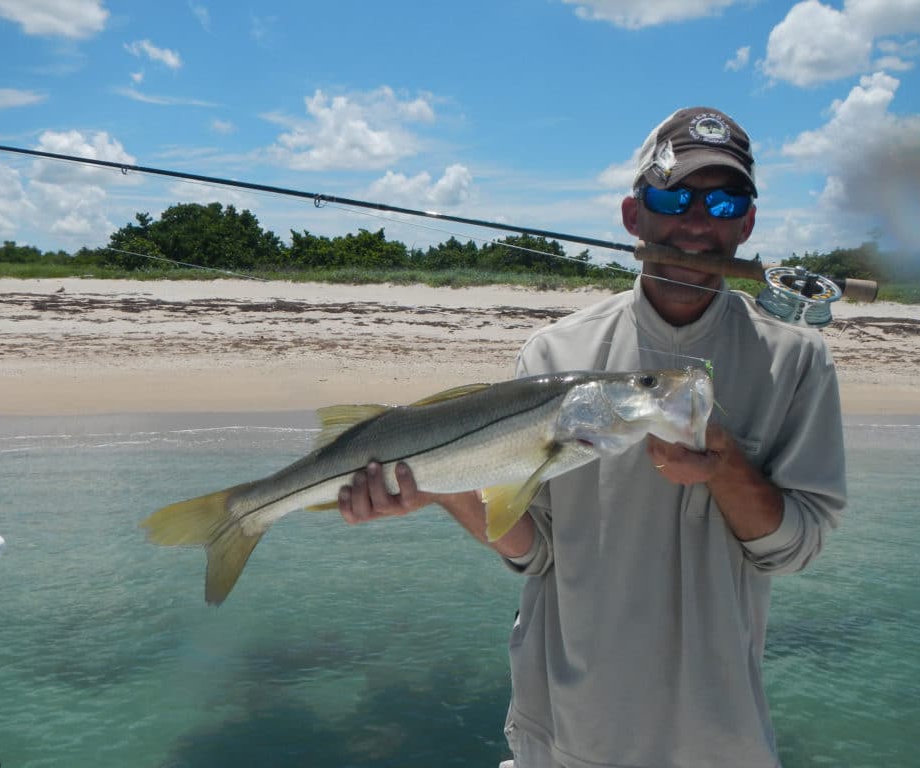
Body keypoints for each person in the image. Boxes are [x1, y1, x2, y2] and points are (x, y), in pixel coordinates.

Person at [337, 106, 847, 768]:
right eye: (672, 196)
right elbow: (535, 556)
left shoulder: (797, 360)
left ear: (747, 223)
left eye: (724, 202)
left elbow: (794, 549)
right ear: (635, 215)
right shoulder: (556, 351)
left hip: (720, 738)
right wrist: (442, 489)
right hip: (568, 730)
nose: (696, 222)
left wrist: (726, 469)